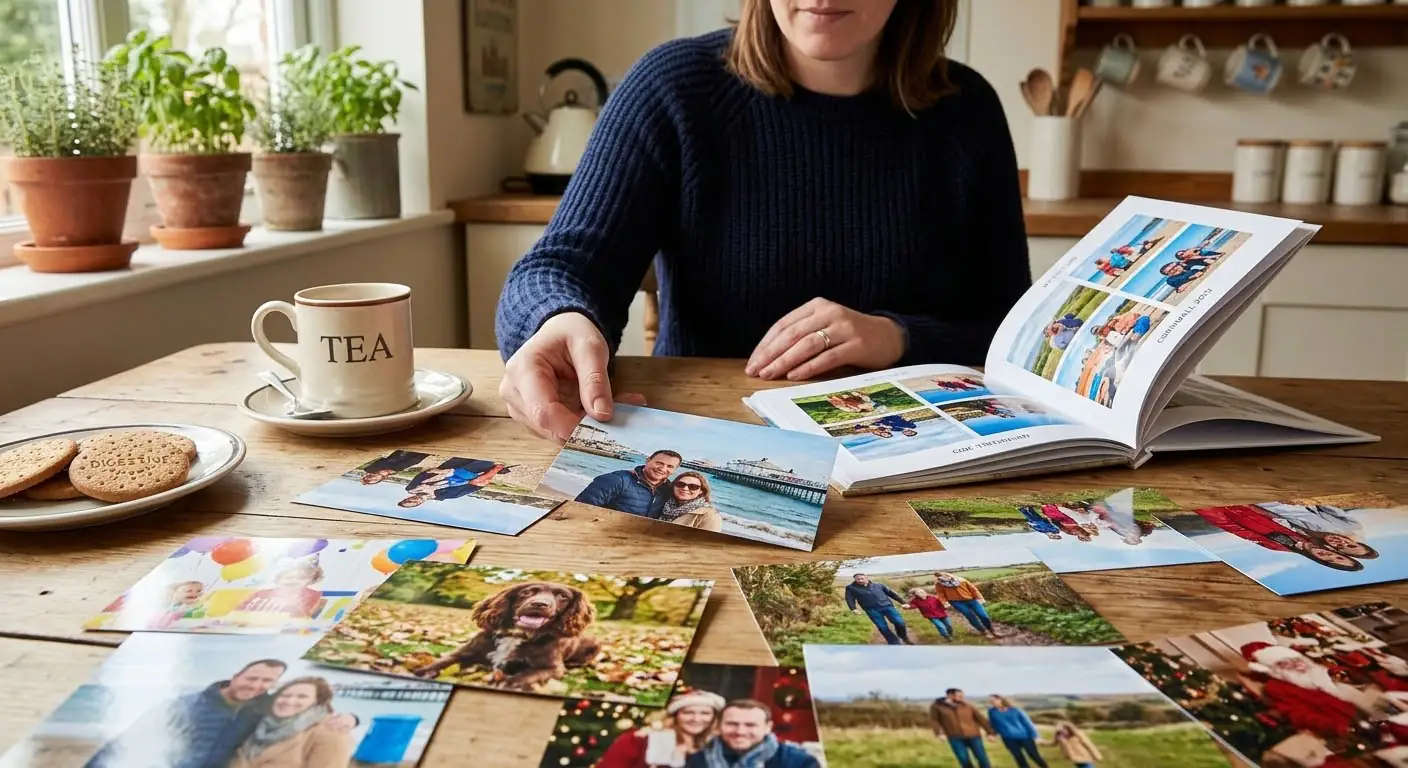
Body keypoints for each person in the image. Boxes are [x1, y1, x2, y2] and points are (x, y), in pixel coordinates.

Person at [494, 0, 1030, 443]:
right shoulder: (672, 88)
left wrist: (898, 336)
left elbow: (1016, 335)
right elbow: (560, 267)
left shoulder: (968, 110)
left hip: (918, 453)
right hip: (704, 445)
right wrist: (556, 321)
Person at [83, 659, 356, 768]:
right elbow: (126, 744)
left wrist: (352, 718)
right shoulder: (183, 706)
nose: (257, 686)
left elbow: (301, 706)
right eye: (253, 678)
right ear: (235, 675)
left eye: (266, 683)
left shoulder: (261, 709)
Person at [230, 677, 353, 768]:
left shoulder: (331, 732)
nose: (289, 701)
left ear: (318, 702)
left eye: (302, 697)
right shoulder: (260, 726)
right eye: (284, 695)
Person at [598, 690, 725, 768]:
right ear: (675, 717)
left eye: (705, 713)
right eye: (688, 712)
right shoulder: (639, 741)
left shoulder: (718, 746)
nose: (696, 719)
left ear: (714, 718)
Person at [685, 699, 819, 768]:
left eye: (751, 725)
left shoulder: (798, 761)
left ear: (768, 728)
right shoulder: (698, 760)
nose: (740, 732)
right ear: (719, 726)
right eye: (732, 724)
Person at [575, 450, 682, 517]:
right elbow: (580, 509)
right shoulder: (616, 480)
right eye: (659, 463)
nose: (663, 469)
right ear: (648, 461)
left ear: (675, 470)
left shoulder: (669, 490)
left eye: (670, 466)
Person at [231, 560, 325, 619]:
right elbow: (237, 613)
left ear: (311, 580)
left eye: (301, 578)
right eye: (288, 577)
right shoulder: (261, 594)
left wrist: (296, 606)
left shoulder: (316, 596)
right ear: (278, 578)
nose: (293, 581)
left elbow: (311, 621)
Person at [399, 459, 508, 508]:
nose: (412, 499)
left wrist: (441, 471)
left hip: (446, 468)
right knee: (485, 460)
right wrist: (490, 475)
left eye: (407, 500)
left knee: (467, 452)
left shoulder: (411, 488)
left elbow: (421, 475)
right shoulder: (441, 496)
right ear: (419, 504)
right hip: (468, 474)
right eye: (413, 503)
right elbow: (468, 488)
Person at [929, 688, 995, 768]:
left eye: (962, 696)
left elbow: (980, 718)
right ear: (950, 695)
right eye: (959, 696)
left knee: (982, 758)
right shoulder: (937, 706)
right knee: (964, 760)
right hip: (955, 737)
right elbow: (934, 720)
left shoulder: (967, 705)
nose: (962, 698)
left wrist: (990, 732)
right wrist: (939, 733)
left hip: (973, 735)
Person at [843, 573, 912, 645]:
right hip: (871, 610)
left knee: (900, 622)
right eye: (858, 579)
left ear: (867, 578)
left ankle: (903, 637)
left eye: (862, 578)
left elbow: (891, 594)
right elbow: (849, 598)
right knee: (882, 627)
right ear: (855, 580)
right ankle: (894, 642)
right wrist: (853, 608)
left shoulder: (878, 585)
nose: (860, 580)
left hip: (887, 606)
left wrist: (903, 602)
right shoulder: (851, 588)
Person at [933, 572, 998, 640]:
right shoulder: (939, 584)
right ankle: (983, 631)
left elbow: (973, 589)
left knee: (983, 615)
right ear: (938, 578)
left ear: (948, 575)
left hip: (971, 599)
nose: (945, 578)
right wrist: (945, 603)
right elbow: (940, 594)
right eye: (941, 578)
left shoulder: (961, 580)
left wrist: (979, 597)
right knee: (969, 615)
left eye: (945, 576)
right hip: (956, 602)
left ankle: (992, 630)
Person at [987, 695, 1047, 768]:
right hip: (1008, 738)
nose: (992, 702)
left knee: (1033, 755)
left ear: (1001, 699)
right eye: (991, 701)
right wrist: (992, 734)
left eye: (993, 700)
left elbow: (1027, 723)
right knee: (1019, 758)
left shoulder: (1015, 710)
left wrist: (1036, 736)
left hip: (1025, 736)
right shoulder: (992, 711)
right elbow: (993, 724)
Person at [657, 472, 723, 533]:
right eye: (680, 484)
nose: (685, 488)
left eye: (693, 487)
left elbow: (708, 543)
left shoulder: (709, 516)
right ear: (674, 486)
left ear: (701, 491)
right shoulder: (665, 505)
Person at [358, 449, 429, 485]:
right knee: (415, 460)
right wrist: (391, 471)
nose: (372, 478)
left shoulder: (369, 469)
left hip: (400, 454)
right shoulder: (392, 473)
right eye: (374, 480)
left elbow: (383, 460)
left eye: (368, 479)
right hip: (409, 459)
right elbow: (408, 463)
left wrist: (382, 470)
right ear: (379, 480)